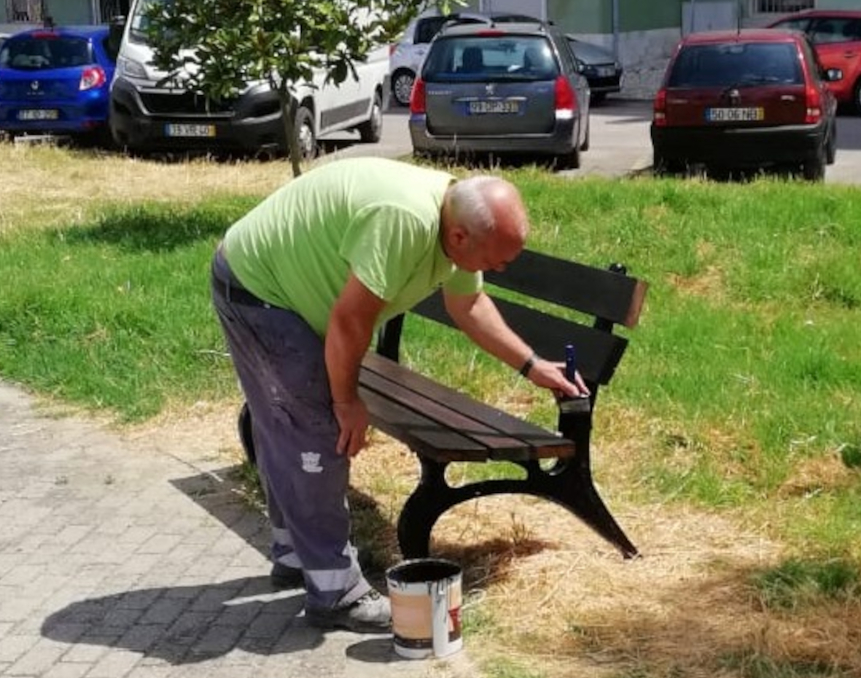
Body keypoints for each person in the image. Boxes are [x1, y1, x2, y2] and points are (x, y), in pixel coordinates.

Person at [209, 157, 586, 632]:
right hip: (260, 290)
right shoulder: (405, 221)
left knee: (292, 429)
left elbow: (468, 304)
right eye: (498, 260)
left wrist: (531, 366)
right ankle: (335, 594)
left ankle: (299, 555)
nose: (502, 269)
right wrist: (347, 404)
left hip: (279, 288)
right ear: (459, 239)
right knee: (318, 436)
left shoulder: (454, 219)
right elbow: (351, 320)